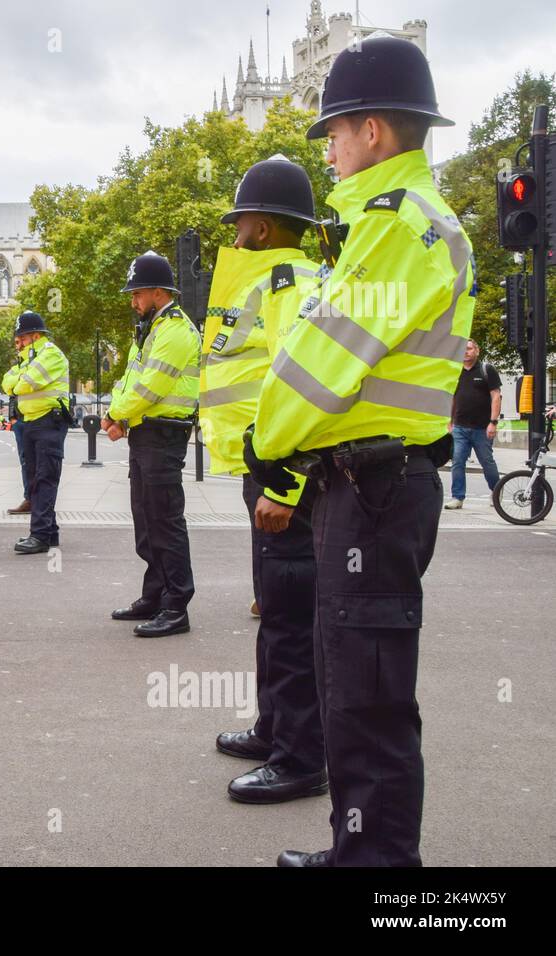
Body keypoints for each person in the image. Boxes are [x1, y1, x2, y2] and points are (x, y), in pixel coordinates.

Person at [248, 35, 474, 867]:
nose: (331, 153)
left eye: (335, 133)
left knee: (366, 697)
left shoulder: (392, 227)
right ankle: (360, 850)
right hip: (378, 482)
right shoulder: (413, 221)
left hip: (375, 487)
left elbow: (319, 364)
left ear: (373, 131)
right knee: (354, 686)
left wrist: (265, 444)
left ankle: (379, 870)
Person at [198, 156, 328, 805]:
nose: (235, 228)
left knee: (291, 618)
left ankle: (301, 757)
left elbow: (302, 384)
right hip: (268, 467)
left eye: (242, 217)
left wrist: (285, 485)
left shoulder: (286, 282)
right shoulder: (277, 279)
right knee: (276, 612)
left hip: (286, 478)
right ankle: (277, 728)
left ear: (264, 223)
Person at [103, 251, 200, 637]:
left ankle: (177, 606)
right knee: (146, 521)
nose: (133, 301)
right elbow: (129, 382)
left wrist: (115, 415)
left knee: (165, 522)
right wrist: (120, 415)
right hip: (145, 433)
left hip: (164, 434)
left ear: (159, 292)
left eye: (137, 294)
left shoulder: (175, 331)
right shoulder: (151, 330)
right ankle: (155, 594)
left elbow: (150, 387)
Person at [1, 311, 70, 554]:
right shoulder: (28, 359)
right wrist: (18, 380)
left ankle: (39, 535)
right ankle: (49, 532)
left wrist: (18, 381)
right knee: (34, 479)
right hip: (30, 421)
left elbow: (24, 384)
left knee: (45, 478)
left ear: (36, 335)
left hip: (49, 422)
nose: (18, 342)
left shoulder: (50, 353)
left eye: (22, 337)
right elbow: (7, 382)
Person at [445, 338, 501, 509]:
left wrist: (493, 422)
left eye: (469, 348)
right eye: (463, 349)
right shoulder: (456, 372)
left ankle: (496, 493)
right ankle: (458, 497)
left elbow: (496, 396)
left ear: (477, 350)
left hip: (482, 428)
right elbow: (452, 398)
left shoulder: (487, 370)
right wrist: (450, 421)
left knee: (487, 462)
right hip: (460, 427)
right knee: (457, 461)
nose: (466, 352)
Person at [7, 395, 31, 514]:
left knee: (43, 460)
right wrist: (12, 418)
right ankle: (29, 500)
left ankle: (41, 501)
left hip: (40, 417)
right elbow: (12, 393)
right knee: (25, 460)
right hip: (21, 420)